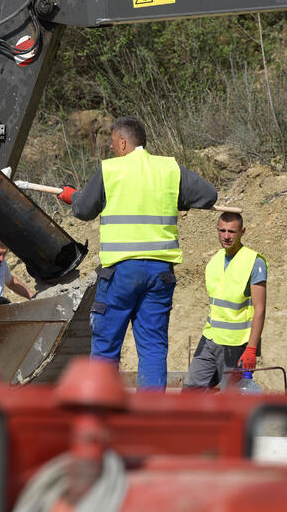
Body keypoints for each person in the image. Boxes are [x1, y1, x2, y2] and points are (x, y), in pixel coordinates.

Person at [58, 116, 217, 389]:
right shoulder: (169, 168)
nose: (111, 148)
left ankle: (101, 415)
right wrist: (178, 199)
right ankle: (150, 422)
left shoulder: (111, 170)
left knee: (106, 349)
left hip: (120, 273)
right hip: (159, 274)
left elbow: (84, 210)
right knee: (153, 349)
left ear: (122, 141)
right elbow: (209, 195)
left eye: (112, 143)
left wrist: (71, 195)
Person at [184, 211, 267, 390]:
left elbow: (260, 309)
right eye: (222, 231)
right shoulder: (214, 262)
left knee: (231, 396)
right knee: (191, 391)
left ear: (242, 231)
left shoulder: (253, 262)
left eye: (232, 231)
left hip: (235, 344)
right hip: (210, 337)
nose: (226, 236)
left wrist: (251, 348)